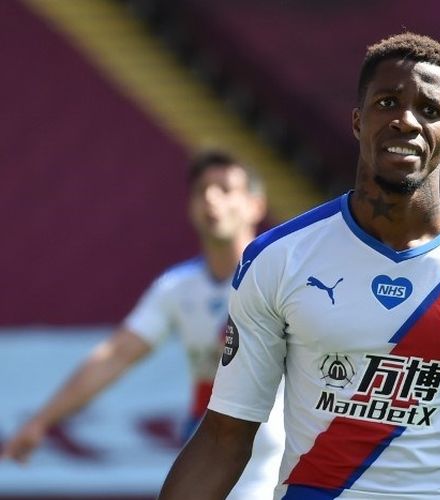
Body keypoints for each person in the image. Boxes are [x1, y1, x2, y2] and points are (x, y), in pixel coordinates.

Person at [158, 33, 440, 500]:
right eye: (388, 102)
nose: (405, 121)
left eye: (429, 110)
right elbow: (225, 435)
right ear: (357, 120)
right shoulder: (279, 257)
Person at [1, 150, 285, 499]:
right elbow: (116, 355)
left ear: (256, 205)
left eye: (225, 189)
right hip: (207, 457)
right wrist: (41, 421)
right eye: (201, 190)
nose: (211, 199)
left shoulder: (279, 278)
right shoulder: (177, 287)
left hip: (273, 464)